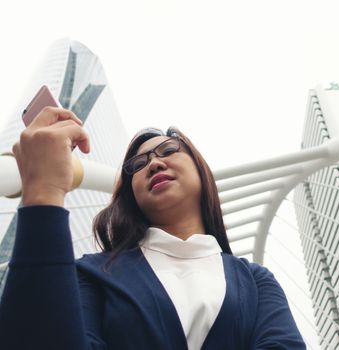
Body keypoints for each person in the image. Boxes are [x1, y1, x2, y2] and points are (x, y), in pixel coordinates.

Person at [0, 106, 306, 350]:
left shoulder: (255, 281)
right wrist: (44, 191)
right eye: (138, 163)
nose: (154, 164)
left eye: (169, 150)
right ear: (130, 193)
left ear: (201, 169)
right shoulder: (92, 274)